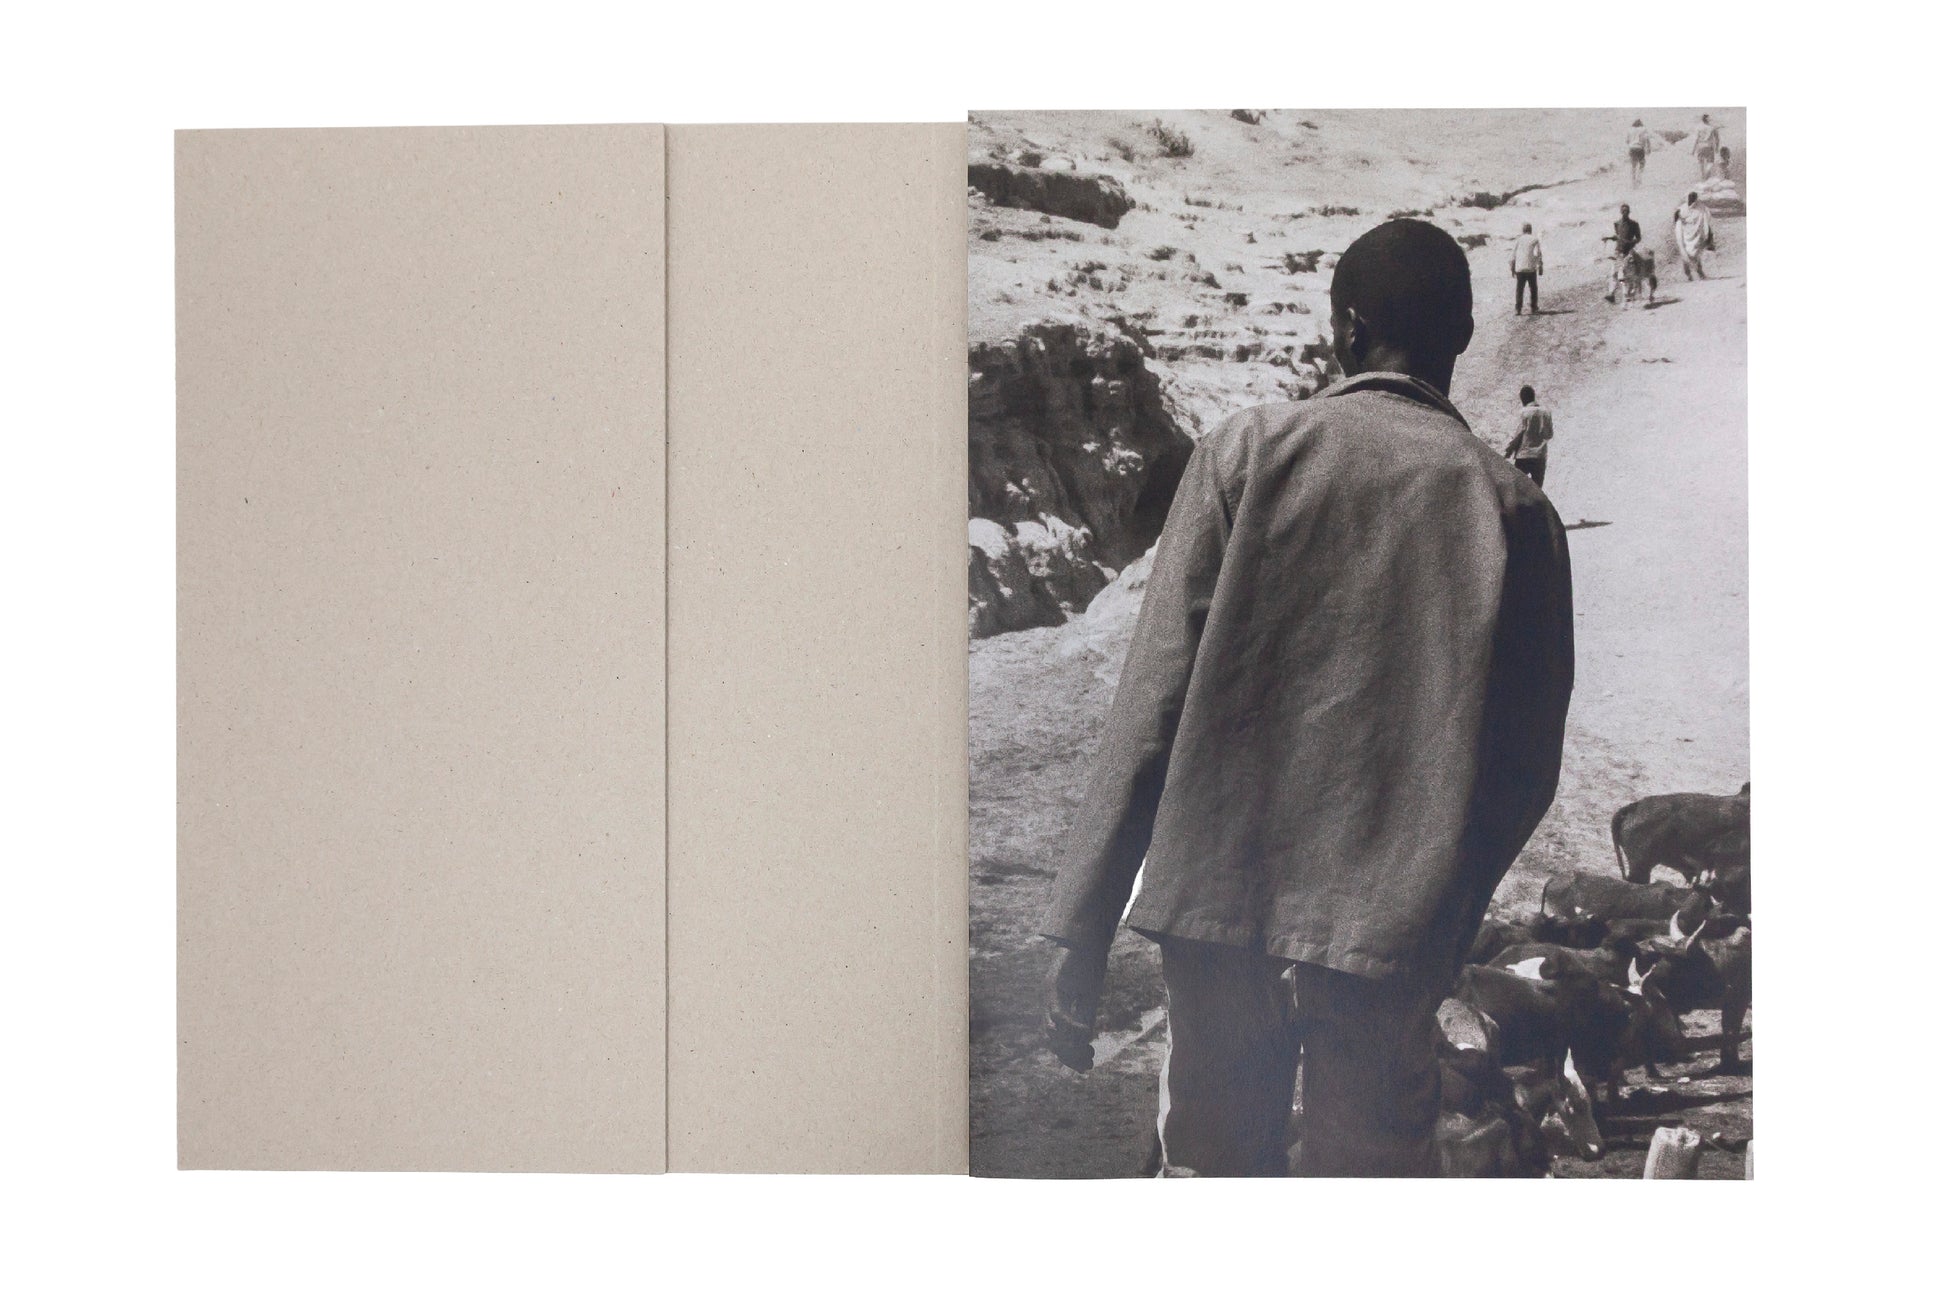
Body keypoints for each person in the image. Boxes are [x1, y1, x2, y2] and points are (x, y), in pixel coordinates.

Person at [1039, 219, 1575, 1177]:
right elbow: (1526, 770)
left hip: (1218, 918)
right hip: (1390, 945)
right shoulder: (1516, 512)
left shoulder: (1244, 452)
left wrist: (1082, 924)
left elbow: (1151, 708)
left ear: (1347, 330)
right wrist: (1441, 916)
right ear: (1462, 333)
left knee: (1213, 1173)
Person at [1504, 385, 1554, 487]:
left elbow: (1518, 435)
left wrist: (1509, 451)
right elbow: (1549, 435)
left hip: (1524, 456)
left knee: (1518, 487)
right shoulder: (1546, 413)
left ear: (1523, 398)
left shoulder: (1524, 413)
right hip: (1540, 456)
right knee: (1537, 489)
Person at [1604, 202, 1643, 302]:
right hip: (1618, 251)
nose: (1625, 212)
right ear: (1621, 212)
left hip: (1628, 252)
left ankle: (1627, 295)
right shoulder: (1617, 224)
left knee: (1624, 274)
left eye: (1626, 211)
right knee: (1614, 273)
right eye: (1623, 211)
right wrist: (1609, 238)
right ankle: (1611, 294)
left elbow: (1639, 238)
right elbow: (1617, 236)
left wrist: (1631, 242)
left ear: (1629, 212)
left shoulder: (1634, 224)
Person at [1674, 190, 1715, 279]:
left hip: (1697, 235)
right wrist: (1677, 216)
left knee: (1696, 254)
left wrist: (1706, 233)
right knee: (1685, 253)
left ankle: (1699, 272)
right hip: (1686, 235)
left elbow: (1706, 219)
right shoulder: (1682, 208)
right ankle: (1688, 273)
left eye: (1693, 199)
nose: (1691, 201)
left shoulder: (1701, 208)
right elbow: (1677, 220)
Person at [1510, 222, 1543, 315]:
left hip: (1520, 268)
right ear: (1531, 230)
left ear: (1523, 230)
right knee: (1533, 288)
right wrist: (1540, 266)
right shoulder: (1535, 239)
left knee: (1519, 289)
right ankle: (1534, 307)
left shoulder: (1518, 240)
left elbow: (1513, 256)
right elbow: (1537, 254)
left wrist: (1512, 269)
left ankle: (1518, 309)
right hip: (1531, 268)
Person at [1693, 113, 1722, 179]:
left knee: (1701, 163)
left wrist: (1693, 150)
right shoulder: (1712, 127)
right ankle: (1706, 174)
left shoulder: (1698, 127)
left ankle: (1703, 177)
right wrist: (1717, 148)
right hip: (1709, 146)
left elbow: (1696, 139)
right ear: (1708, 119)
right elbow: (1717, 139)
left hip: (1700, 146)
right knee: (1710, 162)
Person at [1626, 118, 1653, 186]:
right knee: (1642, 163)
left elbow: (1627, 141)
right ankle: (1639, 177)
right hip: (1640, 148)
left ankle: (1633, 181)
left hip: (1632, 148)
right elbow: (1647, 139)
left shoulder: (1630, 130)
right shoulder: (1644, 129)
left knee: (1633, 165)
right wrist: (1649, 148)